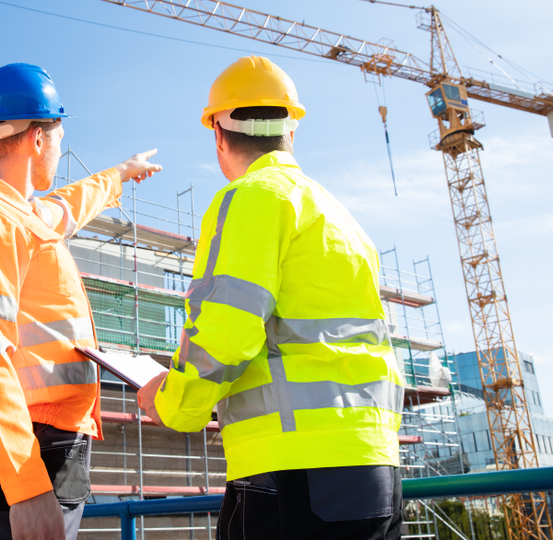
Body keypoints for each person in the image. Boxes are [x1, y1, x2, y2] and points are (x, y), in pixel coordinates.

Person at [137, 56, 404, 540]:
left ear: (218, 135)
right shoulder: (339, 216)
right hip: (374, 468)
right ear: (291, 132)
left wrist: (174, 403)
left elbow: (226, 333)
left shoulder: (251, 197)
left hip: (290, 470)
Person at [0, 63, 161, 540]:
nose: (59, 153)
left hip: (51, 447)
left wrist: (122, 173)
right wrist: (26, 488)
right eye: (59, 141)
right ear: (38, 139)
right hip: (20, 454)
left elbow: (74, 202)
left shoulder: (24, 214)